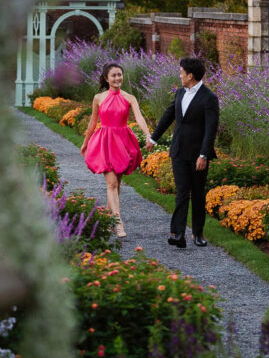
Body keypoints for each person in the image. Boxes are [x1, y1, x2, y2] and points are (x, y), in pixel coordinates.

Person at [150, 56, 219, 248]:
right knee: (182, 192)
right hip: (179, 151)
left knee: (197, 193)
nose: (179, 75)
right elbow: (168, 116)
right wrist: (153, 138)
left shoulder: (209, 98)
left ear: (191, 75)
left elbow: (210, 129)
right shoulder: (180, 92)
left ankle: (198, 233)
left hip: (198, 155)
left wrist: (204, 155)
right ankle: (178, 233)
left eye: (182, 72)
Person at [81, 63, 155, 237]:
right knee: (111, 183)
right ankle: (118, 222)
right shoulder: (98, 98)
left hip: (122, 143)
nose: (117, 78)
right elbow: (92, 122)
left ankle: (107, 221)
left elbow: (139, 117)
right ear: (106, 78)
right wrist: (85, 142)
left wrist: (147, 135)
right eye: (113, 75)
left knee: (117, 184)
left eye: (119, 75)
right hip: (105, 142)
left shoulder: (130, 98)